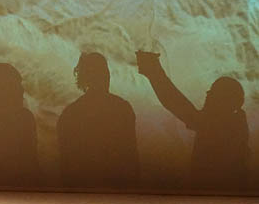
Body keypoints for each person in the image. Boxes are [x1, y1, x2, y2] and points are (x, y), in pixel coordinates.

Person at [136, 51, 248, 189]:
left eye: (213, 92)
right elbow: (181, 107)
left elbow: (179, 106)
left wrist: (154, 72)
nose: (207, 94)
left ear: (225, 101)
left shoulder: (223, 126)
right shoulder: (234, 123)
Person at [57, 52, 139, 189]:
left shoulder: (69, 114)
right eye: (102, 72)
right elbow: (132, 159)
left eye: (105, 71)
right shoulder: (122, 108)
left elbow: (65, 167)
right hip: (117, 189)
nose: (106, 76)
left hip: (83, 191)